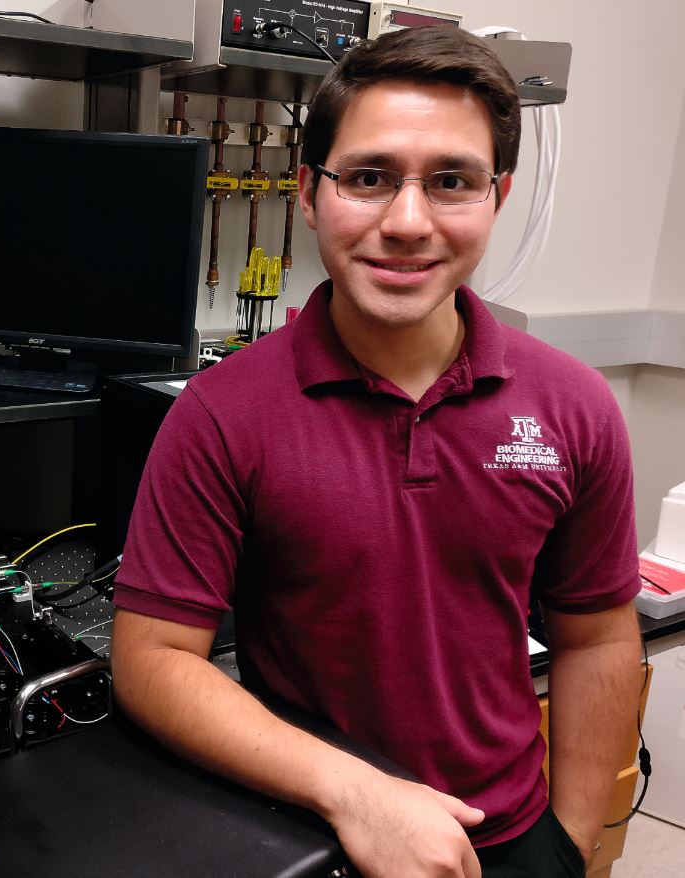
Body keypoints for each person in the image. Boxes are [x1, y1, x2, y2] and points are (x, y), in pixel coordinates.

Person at [111, 25, 642, 878]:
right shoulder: (222, 413)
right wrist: (354, 792)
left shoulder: (574, 407)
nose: (407, 221)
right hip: (303, 835)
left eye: (451, 182)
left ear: (496, 197)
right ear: (310, 193)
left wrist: (573, 845)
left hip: (511, 840)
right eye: (368, 177)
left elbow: (599, 639)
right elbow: (152, 660)